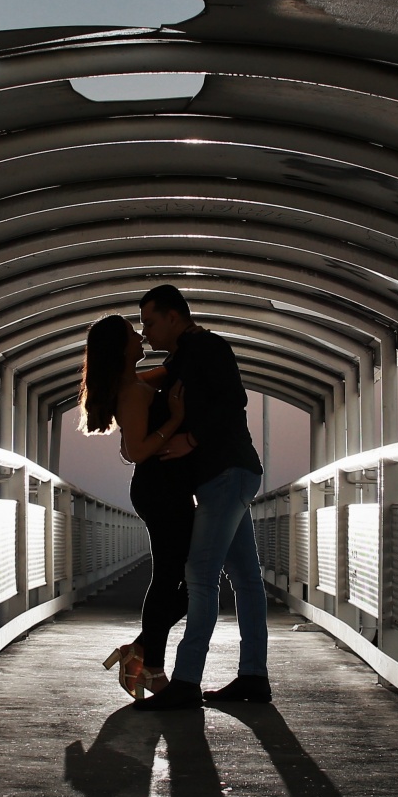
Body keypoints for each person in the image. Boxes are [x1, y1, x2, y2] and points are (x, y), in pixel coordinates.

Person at [132, 285, 272, 710]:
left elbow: (234, 400)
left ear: (174, 317)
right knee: (245, 578)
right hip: (228, 474)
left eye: (150, 322)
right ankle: (253, 676)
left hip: (225, 474)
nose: (145, 332)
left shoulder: (206, 347)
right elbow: (148, 383)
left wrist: (192, 438)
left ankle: (187, 680)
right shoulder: (183, 356)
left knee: (199, 575)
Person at [76, 315, 196, 699]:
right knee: (175, 579)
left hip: (165, 489)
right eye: (132, 334)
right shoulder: (131, 391)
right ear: (120, 348)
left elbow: (171, 372)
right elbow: (138, 451)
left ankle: (140, 651)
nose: (140, 335)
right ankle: (149, 664)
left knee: (186, 578)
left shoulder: (138, 383)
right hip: (159, 490)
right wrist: (176, 419)